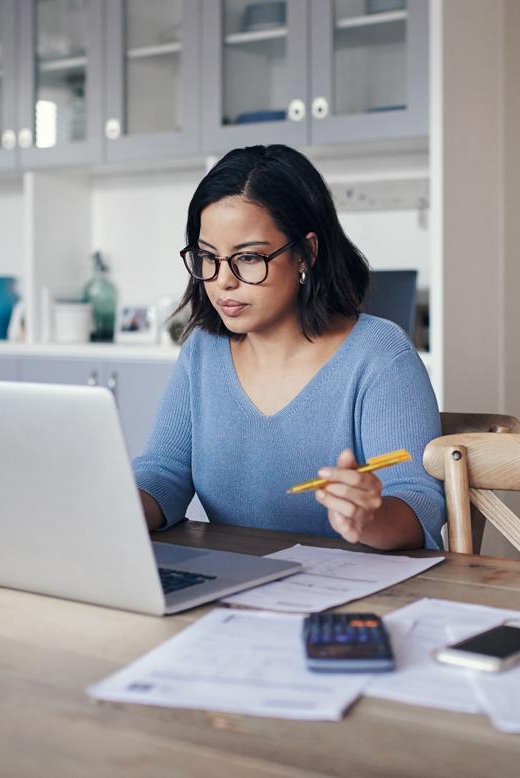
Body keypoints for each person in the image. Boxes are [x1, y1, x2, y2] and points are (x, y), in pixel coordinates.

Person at [133, 145, 445, 551]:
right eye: (208, 257)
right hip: (236, 588)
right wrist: (110, 509)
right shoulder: (202, 352)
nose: (223, 281)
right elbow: (164, 473)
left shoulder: (379, 355)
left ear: (305, 253)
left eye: (247, 257)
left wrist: (372, 517)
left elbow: (418, 504)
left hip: (354, 599)